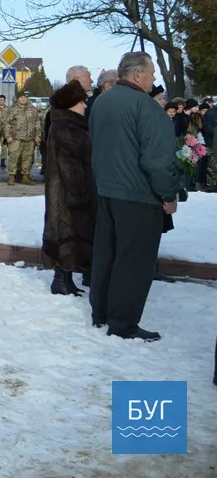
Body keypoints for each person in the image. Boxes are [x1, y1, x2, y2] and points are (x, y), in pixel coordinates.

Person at [89, 52, 179, 341]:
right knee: (134, 261)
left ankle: (101, 311)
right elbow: (158, 160)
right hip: (138, 196)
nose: (155, 78)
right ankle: (123, 323)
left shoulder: (102, 101)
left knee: (107, 254)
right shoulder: (147, 108)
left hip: (107, 191)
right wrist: (168, 194)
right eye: (152, 72)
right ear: (137, 74)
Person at [42, 81, 95, 296]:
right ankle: (61, 280)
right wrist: (80, 192)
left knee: (66, 233)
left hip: (62, 191)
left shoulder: (69, 124)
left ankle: (65, 279)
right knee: (66, 232)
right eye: (82, 102)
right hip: (66, 193)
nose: (85, 106)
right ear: (72, 104)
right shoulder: (67, 127)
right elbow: (70, 166)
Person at [5, 92, 42, 186]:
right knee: (13, 158)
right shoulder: (12, 109)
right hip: (16, 138)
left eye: (25, 97)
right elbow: (6, 124)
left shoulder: (32, 109)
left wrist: (38, 135)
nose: (23, 99)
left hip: (30, 138)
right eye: (21, 97)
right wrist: (8, 136)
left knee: (28, 159)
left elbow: (37, 122)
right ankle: (11, 177)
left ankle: (25, 177)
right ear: (17, 99)